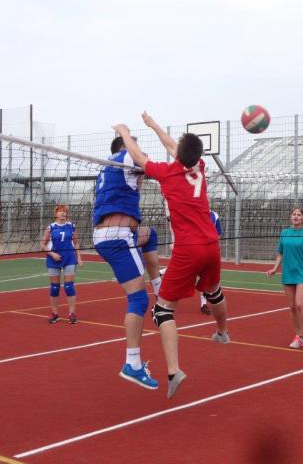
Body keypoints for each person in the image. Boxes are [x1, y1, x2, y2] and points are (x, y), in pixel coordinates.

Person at [114, 112, 230, 399]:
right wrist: (153, 125)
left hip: (188, 248)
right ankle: (222, 332)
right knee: (213, 291)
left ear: (180, 153)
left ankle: (174, 370)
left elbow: (139, 158)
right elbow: (172, 147)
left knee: (162, 310)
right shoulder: (199, 167)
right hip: (211, 244)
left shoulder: (168, 173)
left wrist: (124, 133)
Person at [92, 135, 158, 390]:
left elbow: (134, 183)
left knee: (150, 235)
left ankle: (161, 291)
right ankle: (133, 363)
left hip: (110, 235)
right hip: (117, 237)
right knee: (139, 299)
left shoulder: (107, 166)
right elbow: (149, 165)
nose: (138, 149)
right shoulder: (126, 157)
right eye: (135, 144)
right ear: (126, 146)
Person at [267, 207, 303, 352]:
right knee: (292, 306)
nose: (296, 216)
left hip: (302, 273)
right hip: (288, 273)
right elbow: (280, 254)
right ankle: (298, 336)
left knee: (300, 304)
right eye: (294, 214)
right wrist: (275, 268)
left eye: (299, 215)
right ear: (291, 217)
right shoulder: (285, 233)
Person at [39, 204, 84, 324]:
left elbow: (76, 243)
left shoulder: (72, 226)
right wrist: (52, 254)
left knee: (69, 286)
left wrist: (79, 257)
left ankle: (72, 314)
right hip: (54, 259)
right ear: (55, 214)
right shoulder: (51, 227)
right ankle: (55, 314)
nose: (62, 213)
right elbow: (42, 244)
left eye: (64, 211)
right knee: (55, 288)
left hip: (69, 258)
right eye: (60, 211)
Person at [198, 210, 223, 314]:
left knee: (210, 277)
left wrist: (213, 243)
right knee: (199, 275)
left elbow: (219, 234)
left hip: (211, 249)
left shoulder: (214, 215)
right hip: (199, 248)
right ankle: (203, 304)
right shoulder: (196, 213)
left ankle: (206, 302)